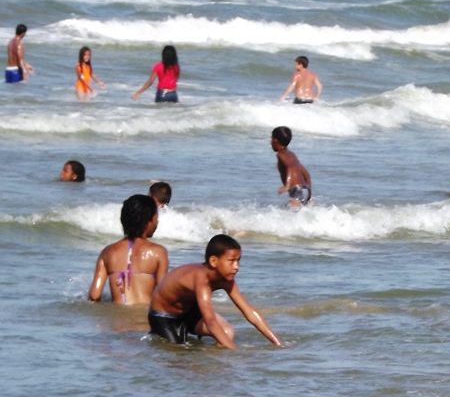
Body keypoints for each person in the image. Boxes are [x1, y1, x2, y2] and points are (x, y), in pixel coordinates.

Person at [148, 234, 282, 349]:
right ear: (213, 261)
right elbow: (210, 321)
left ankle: (210, 366)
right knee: (178, 354)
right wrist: (233, 350)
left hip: (189, 311)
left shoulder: (226, 280)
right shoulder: (201, 279)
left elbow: (249, 312)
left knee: (227, 332)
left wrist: (278, 343)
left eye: (238, 261)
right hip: (163, 316)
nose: (236, 267)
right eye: (231, 261)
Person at [88, 195, 168, 305]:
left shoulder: (107, 252)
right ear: (147, 221)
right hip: (143, 319)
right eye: (156, 218)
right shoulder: (159, 253)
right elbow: (163, 296)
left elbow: (94, 295)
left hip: (116, 321)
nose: (156, 223)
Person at [271, 126, 312, 207]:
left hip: (296, 190)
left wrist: (287, 185)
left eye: (271, 139)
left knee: (289, 214)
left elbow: (289, 167)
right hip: (305, 189)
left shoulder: (281, 154)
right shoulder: (292, 155)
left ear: (275, 141)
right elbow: (306, 174)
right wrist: (309, 191)